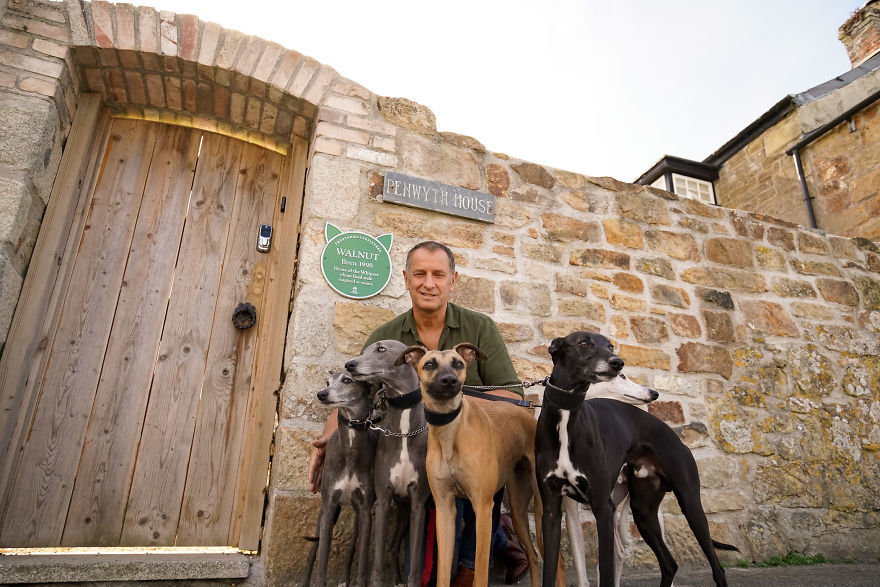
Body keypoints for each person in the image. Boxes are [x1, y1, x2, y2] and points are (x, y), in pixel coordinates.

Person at [307, 241, 530, 586]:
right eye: (420, 274)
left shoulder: (479, 328)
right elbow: (354, 391)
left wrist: (448, 398)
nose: (429, 283)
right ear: (406, 279)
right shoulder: (386, 338)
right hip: (411, 451)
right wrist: (325, 442)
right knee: (424, 565)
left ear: (453, 280)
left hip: (469, 448)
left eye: (438, 274)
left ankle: (473, 564)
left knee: (480, 463)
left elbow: (511, 395)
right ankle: (494, 539)